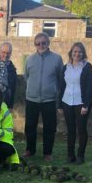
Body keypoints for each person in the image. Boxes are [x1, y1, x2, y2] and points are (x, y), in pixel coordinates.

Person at [24, 32, 63, 161]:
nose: (41, 45)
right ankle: (30, 149)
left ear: (48, 43)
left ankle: (47, 152)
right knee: (30, 126)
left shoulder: (57, 59)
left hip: (49, 99)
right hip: (32, 98)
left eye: (43, 42)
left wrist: (53, 91)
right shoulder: (29, 59)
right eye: (38, 43)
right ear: (35, 45)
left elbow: (60, 78)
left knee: (49, 127)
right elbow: (26, 77)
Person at [57, 42, 92, 165]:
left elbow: (89, 87)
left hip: (80, 103)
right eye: (75, 51)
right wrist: (59, 105)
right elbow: (61, 86)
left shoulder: (87, 67)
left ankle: (80, 156)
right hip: (67, 101)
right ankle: (70, 155)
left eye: (80, 52)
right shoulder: (65, 67)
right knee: (70, 130)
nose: (77, 54)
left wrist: (86, 105)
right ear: (71, 53)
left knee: (81, 130)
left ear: (83, 54)